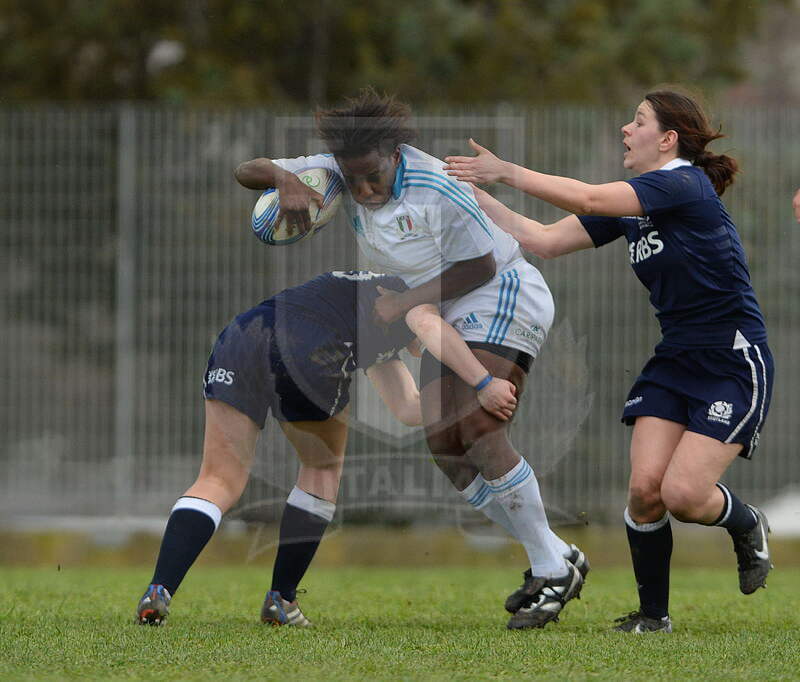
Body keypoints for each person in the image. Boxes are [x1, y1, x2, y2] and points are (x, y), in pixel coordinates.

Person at [235, 89, 589, 630]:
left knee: (476, 424)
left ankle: (550, 568)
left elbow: (479, 265)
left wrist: (403, 304)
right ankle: (556, 554)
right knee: (445, 445)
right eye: (353, 179)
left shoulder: (437, 186)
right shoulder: (339, 167)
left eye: (372, 176)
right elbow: (246, 170)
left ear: (394, 153)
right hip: (441, 309)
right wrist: (284, 178)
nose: (363, 190)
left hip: (499, 290)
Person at [444, 89, 775, 633]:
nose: (626, 129)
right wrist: (470, 193)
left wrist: (505, 171)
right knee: (644, 493)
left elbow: (591, 198)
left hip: (732, 359)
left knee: (684, 495)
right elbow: (543, 240)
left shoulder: (684, 183)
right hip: (675, 360)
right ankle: (653, 618)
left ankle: (745, 522)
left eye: (638, 121)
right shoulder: (634, 207)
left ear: (668, 139)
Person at [135, 270, 518, 627]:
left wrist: (464, 402)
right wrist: (484, 383)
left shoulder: (372, 315)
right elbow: (430, 327)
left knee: (219, 478)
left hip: (242, 335)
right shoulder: (421, 298)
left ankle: (159, 589)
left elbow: (407, 408)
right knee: (321, 471)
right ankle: (281, 600)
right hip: (308, 346)